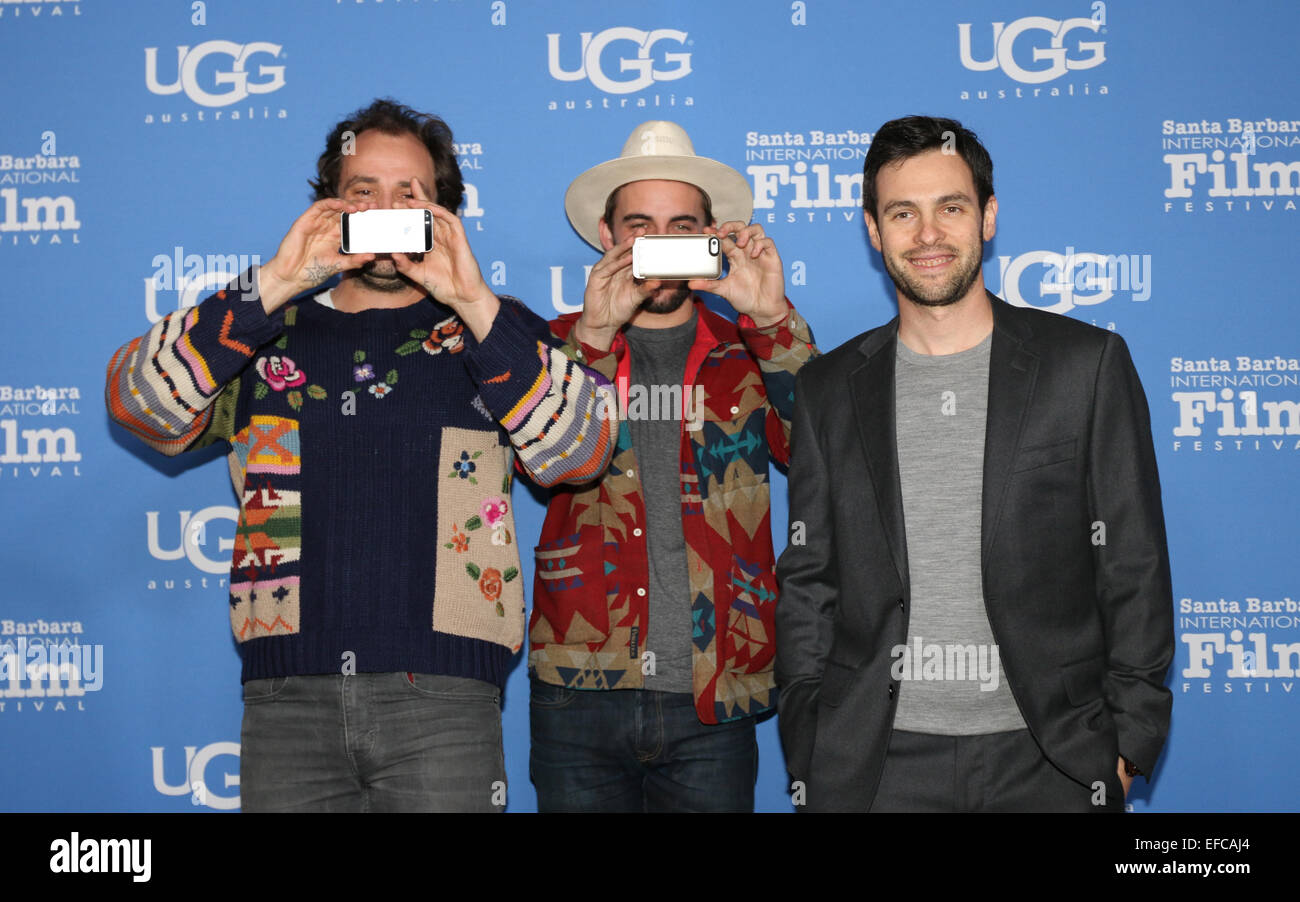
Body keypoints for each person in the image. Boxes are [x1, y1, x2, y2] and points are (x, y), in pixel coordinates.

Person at [105, 98, 615, 812]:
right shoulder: (261, 334)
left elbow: (582, 453)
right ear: (327, 210)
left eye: (410, 195)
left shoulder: (497, 332)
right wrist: (275, 284)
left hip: (447, 698)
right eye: (362, 192)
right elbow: (137, 403)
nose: (384, 209)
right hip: (286, 700)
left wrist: (472, 302)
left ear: (446, 215)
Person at [775, 115, 1174, 812]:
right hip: (877, 766)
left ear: (988, 217)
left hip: (1048, 758)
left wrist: (1128, 744)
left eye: (950, 207)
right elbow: (810, 581)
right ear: (873, 229)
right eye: (903, 213)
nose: (928, 236)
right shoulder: (827, 389)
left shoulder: (1084, 367)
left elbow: (1133, 563)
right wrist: (812, 733)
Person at [528, 119, 819, 812]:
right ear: (606, 237)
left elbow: (819, 456)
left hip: (717, 689)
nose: (657, 247)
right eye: (639, 226)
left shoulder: (749, 344)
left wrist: (771, 316)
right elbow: (542, 464)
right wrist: (593, 340)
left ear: (710, 238)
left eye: (680, 226)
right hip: (578, 688)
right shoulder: (552, 346)